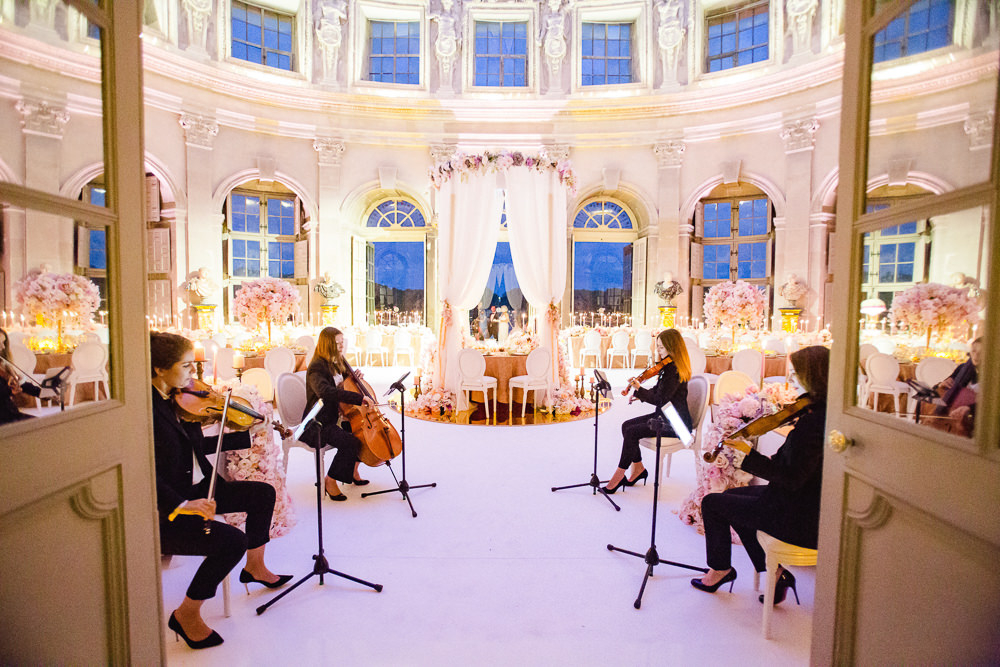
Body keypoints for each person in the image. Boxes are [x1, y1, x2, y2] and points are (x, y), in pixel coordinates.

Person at [150, 332, 290, 650]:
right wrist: (184, 503)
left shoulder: (177, 400)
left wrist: (250, 432)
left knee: (262, 494)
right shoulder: (149, 412)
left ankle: (255, 567)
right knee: (231, 541)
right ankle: (187, 613)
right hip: (172, 507)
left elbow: (198, 446)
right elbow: (148, 473)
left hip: (201, 488)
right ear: (159, 369)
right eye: (185, 366)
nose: (192, 374)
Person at [690, 345, 829, 606]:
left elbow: (791, 478)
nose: (793, 380)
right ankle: (775, 573)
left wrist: (748, 455)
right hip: (801, 501)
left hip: (798, 514)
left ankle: (720, 569)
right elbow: (797, 466)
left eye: (797, 374)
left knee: (712, 504)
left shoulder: (813, 423)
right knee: (733, 499)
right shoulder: (821, 412)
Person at [604, 328, 693, 493]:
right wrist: (639, 392)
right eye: (657, 346)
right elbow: (659, 391)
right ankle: (638, 469)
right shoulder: (668, 367)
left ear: (672, 348)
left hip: (677, 424)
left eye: (661, 347)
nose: (658, 351)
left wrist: (639, 388)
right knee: (626, 426)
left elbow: (660, 399)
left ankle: (619, 475)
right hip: (666, 416)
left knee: (631, 432)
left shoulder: (673, 370)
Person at [303, 327, 375, 501]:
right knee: (350, 442)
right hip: (318, 422)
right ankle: (331, 480)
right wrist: (359, 398)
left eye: (343, 342)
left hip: (336, 416)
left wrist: (353, 377)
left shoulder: (336, 361)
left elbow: (344, 382)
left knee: (363, 435)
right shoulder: (316, 367)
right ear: (328, 344)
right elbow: (326, 392)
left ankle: (353, 471)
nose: (342, 346)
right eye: (338, 343)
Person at [0, 328, 43, 424]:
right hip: (4, 419)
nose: (3, 347)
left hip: (10, 414)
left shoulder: (2, 364)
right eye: (0, 343)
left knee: (43, 424)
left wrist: (42, 392)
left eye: (3, 343)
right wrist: (10, 390)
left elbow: (19, 385)